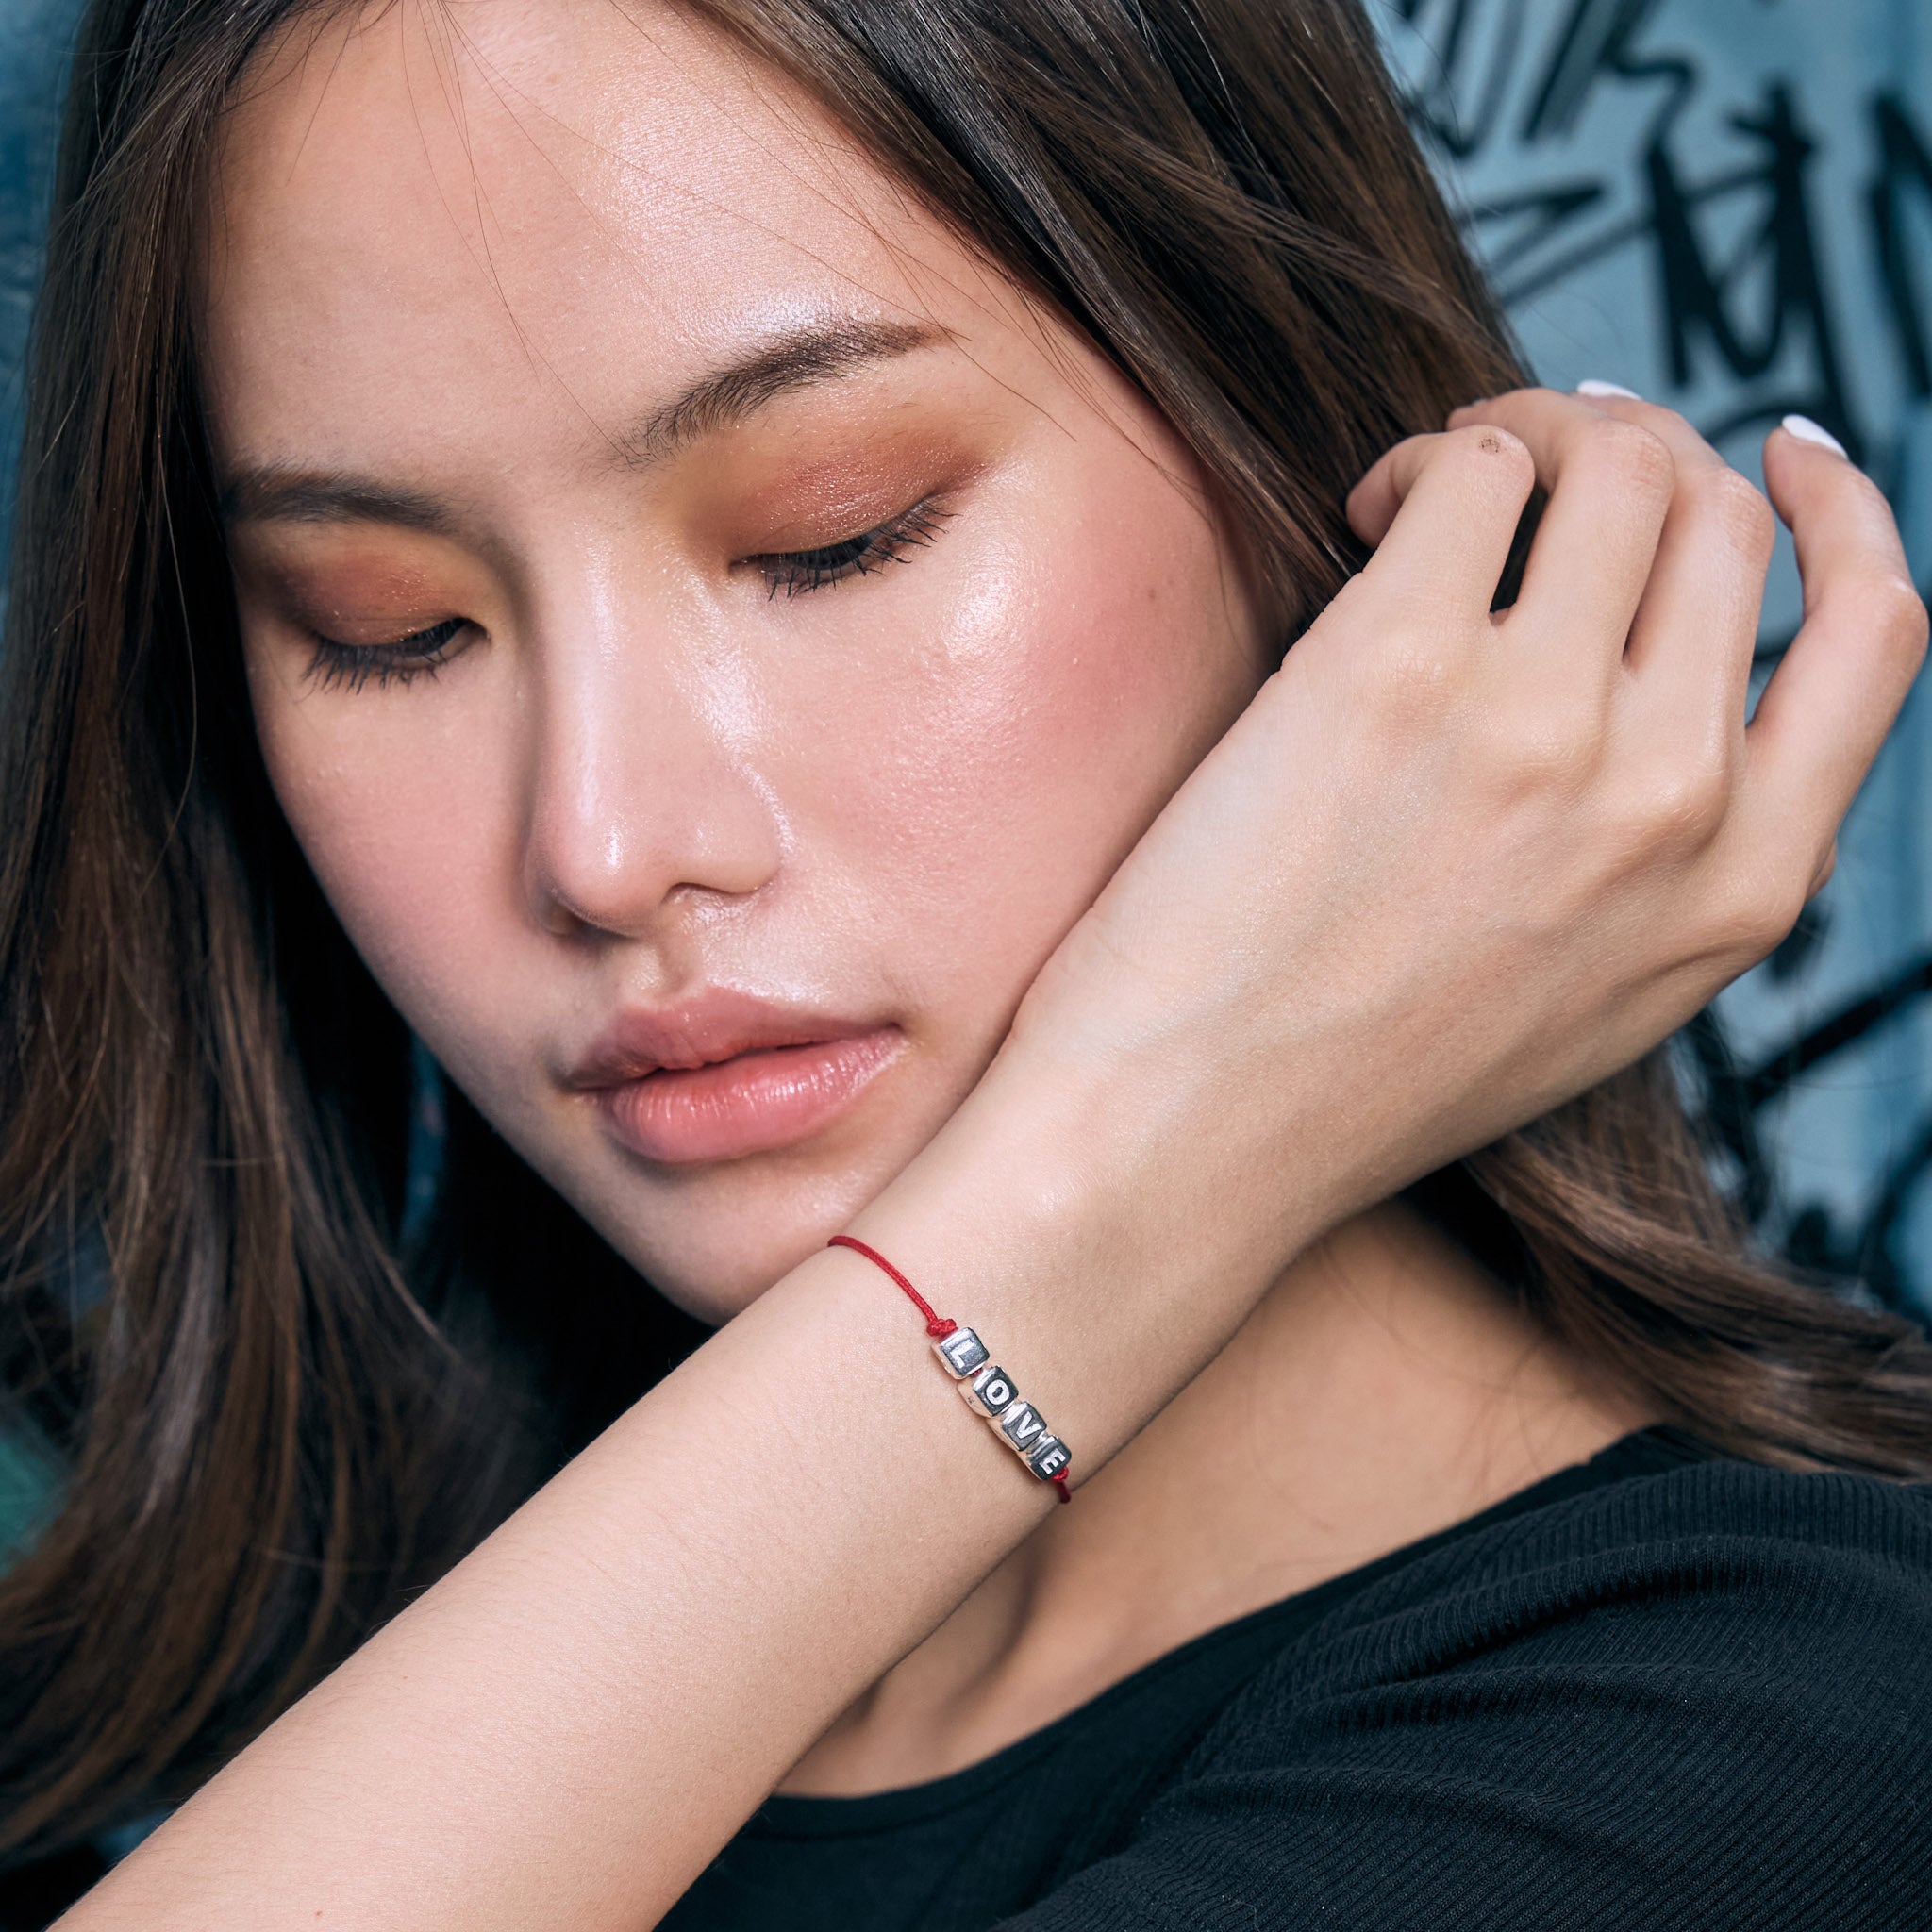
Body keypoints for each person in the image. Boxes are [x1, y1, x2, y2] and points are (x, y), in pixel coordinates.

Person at [2, 0, 1929, 1925]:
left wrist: (1137, 1172)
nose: (602, 842)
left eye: (836, 536)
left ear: (1318, 480)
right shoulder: (238, 1658)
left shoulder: (1767, 1740)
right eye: (389, 627)